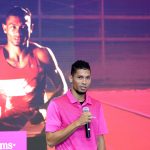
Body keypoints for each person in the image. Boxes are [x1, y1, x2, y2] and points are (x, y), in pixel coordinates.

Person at [0, 6, 67, 150]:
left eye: (23, 27)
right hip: (5, 133)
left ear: (31, 28)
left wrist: (43, 111)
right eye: (13, 27)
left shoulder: (41, 54)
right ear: (5, 28)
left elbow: (63, 88)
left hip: (34, 132)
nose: (18, 32)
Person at [46, 60, 108, 150]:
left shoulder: (96, 105)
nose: (84, 82)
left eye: (87, 78)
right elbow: (50, 141)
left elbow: (99, 138)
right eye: (80, 77)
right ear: (71, 78)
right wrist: (77, 123)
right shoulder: (56, 104)